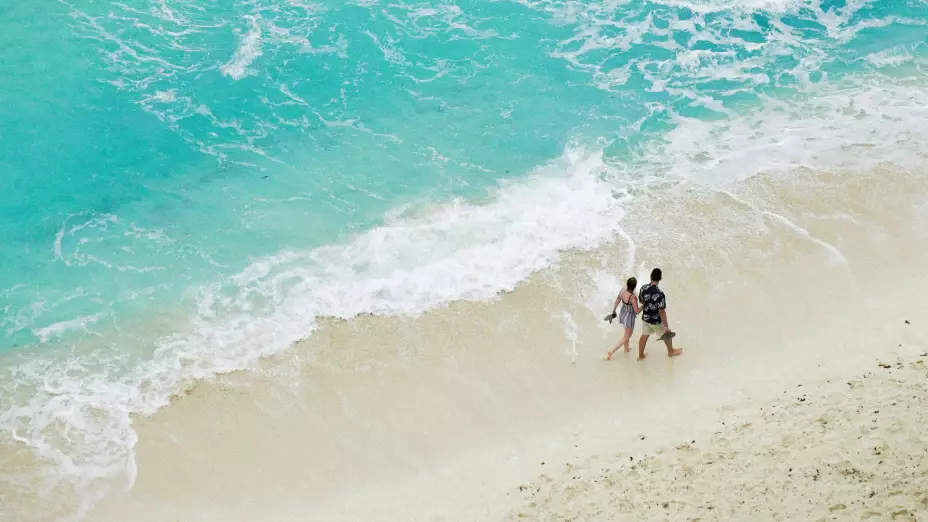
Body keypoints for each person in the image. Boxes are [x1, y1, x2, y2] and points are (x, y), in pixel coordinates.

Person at [637, 268, 682, 361]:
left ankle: (640, 355)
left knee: (644, 336)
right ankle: (671, 351)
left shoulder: (643, 288)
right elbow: (662, 311)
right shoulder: (660, 294)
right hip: (655, 321)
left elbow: (641, 300)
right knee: (668, 335)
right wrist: (665, 326)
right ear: (660, 278)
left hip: (645, 318)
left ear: (651, 276)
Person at [605, 277, 640, 360]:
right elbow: (637, 311)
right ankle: (611, 352)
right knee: (627, 336)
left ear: (627, 284)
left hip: (623, 313)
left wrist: (613, 311)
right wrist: (644, 305)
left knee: (626, 334)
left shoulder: (622, 290)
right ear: (634, 286)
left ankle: (626, 349)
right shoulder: (633, 297)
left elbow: (617, 301)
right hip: (629, 317)